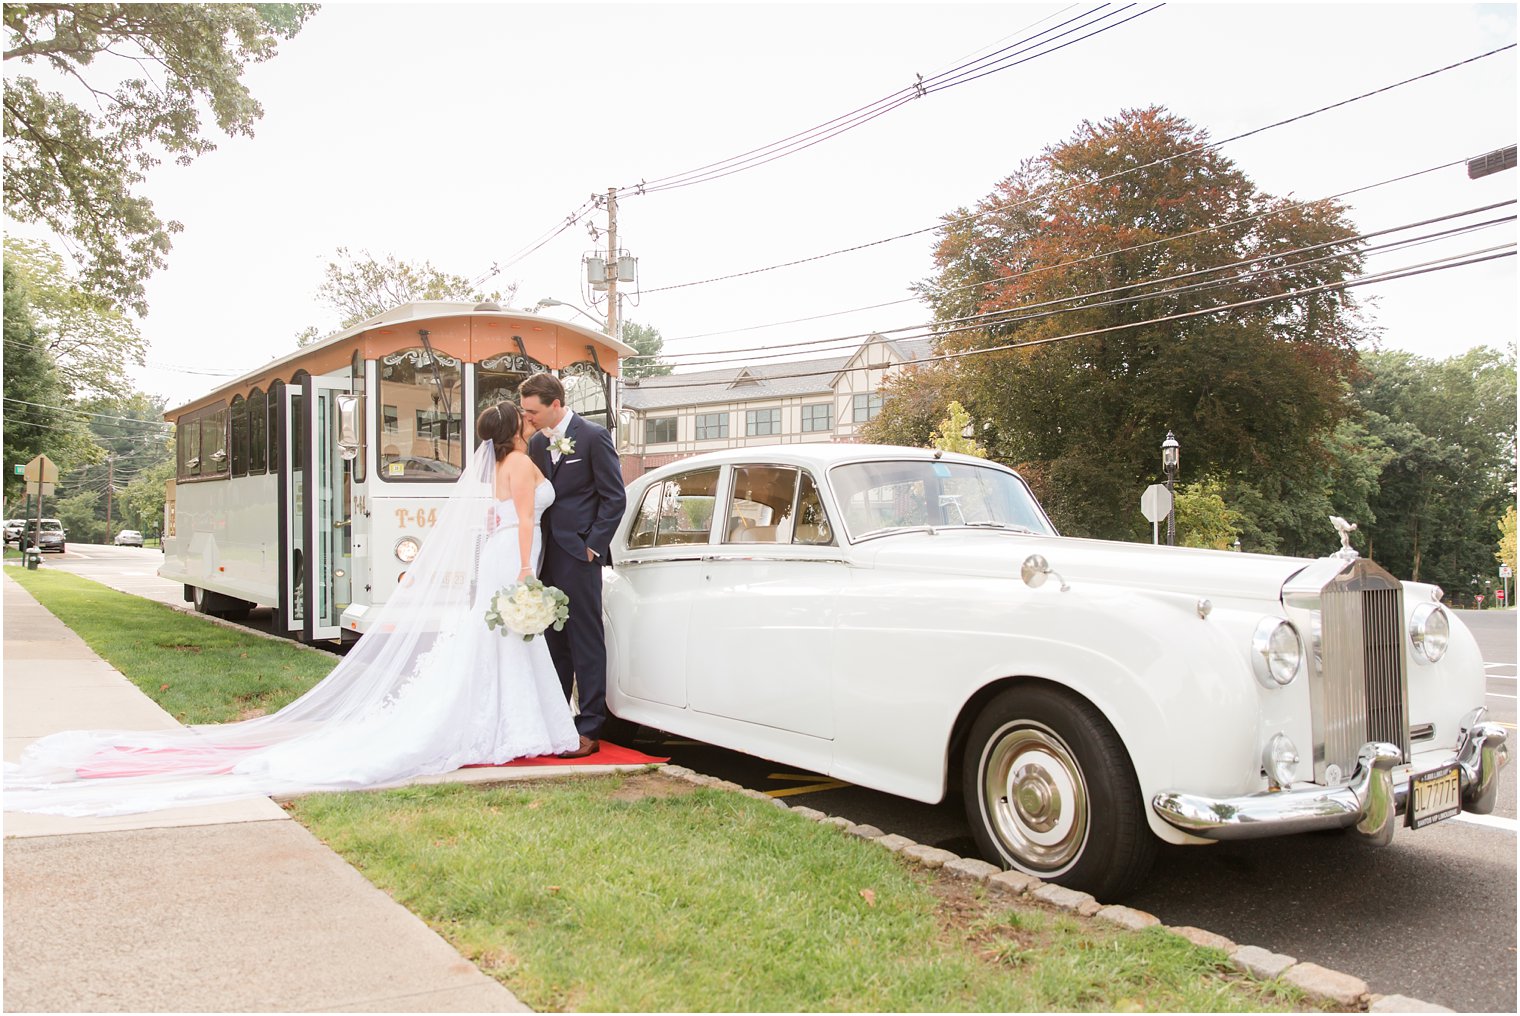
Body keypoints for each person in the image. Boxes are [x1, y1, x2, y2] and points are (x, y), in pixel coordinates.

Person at [3, 403, 578, 816]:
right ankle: (515, 724)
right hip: (517, 557)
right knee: (509, 640)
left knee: (498, 640)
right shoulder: (523, 467)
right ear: (514, 432)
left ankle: (503, 720)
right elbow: (526, 520)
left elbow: (488, 520)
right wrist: (527, 570)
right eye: (524, 419)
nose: (531, 422)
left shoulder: (496, 468)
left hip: (501, 554)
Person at [518, 373, 627, 758]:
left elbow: (614, 498)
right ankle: (557, 722)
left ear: (555, 404)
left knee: (585, 642)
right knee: (552, 642)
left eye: (532, 411)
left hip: (580, 556)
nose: (527, 417)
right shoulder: (535, 443)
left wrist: (593, 548)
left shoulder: (594, 436)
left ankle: (590, 726)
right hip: (545, 556)